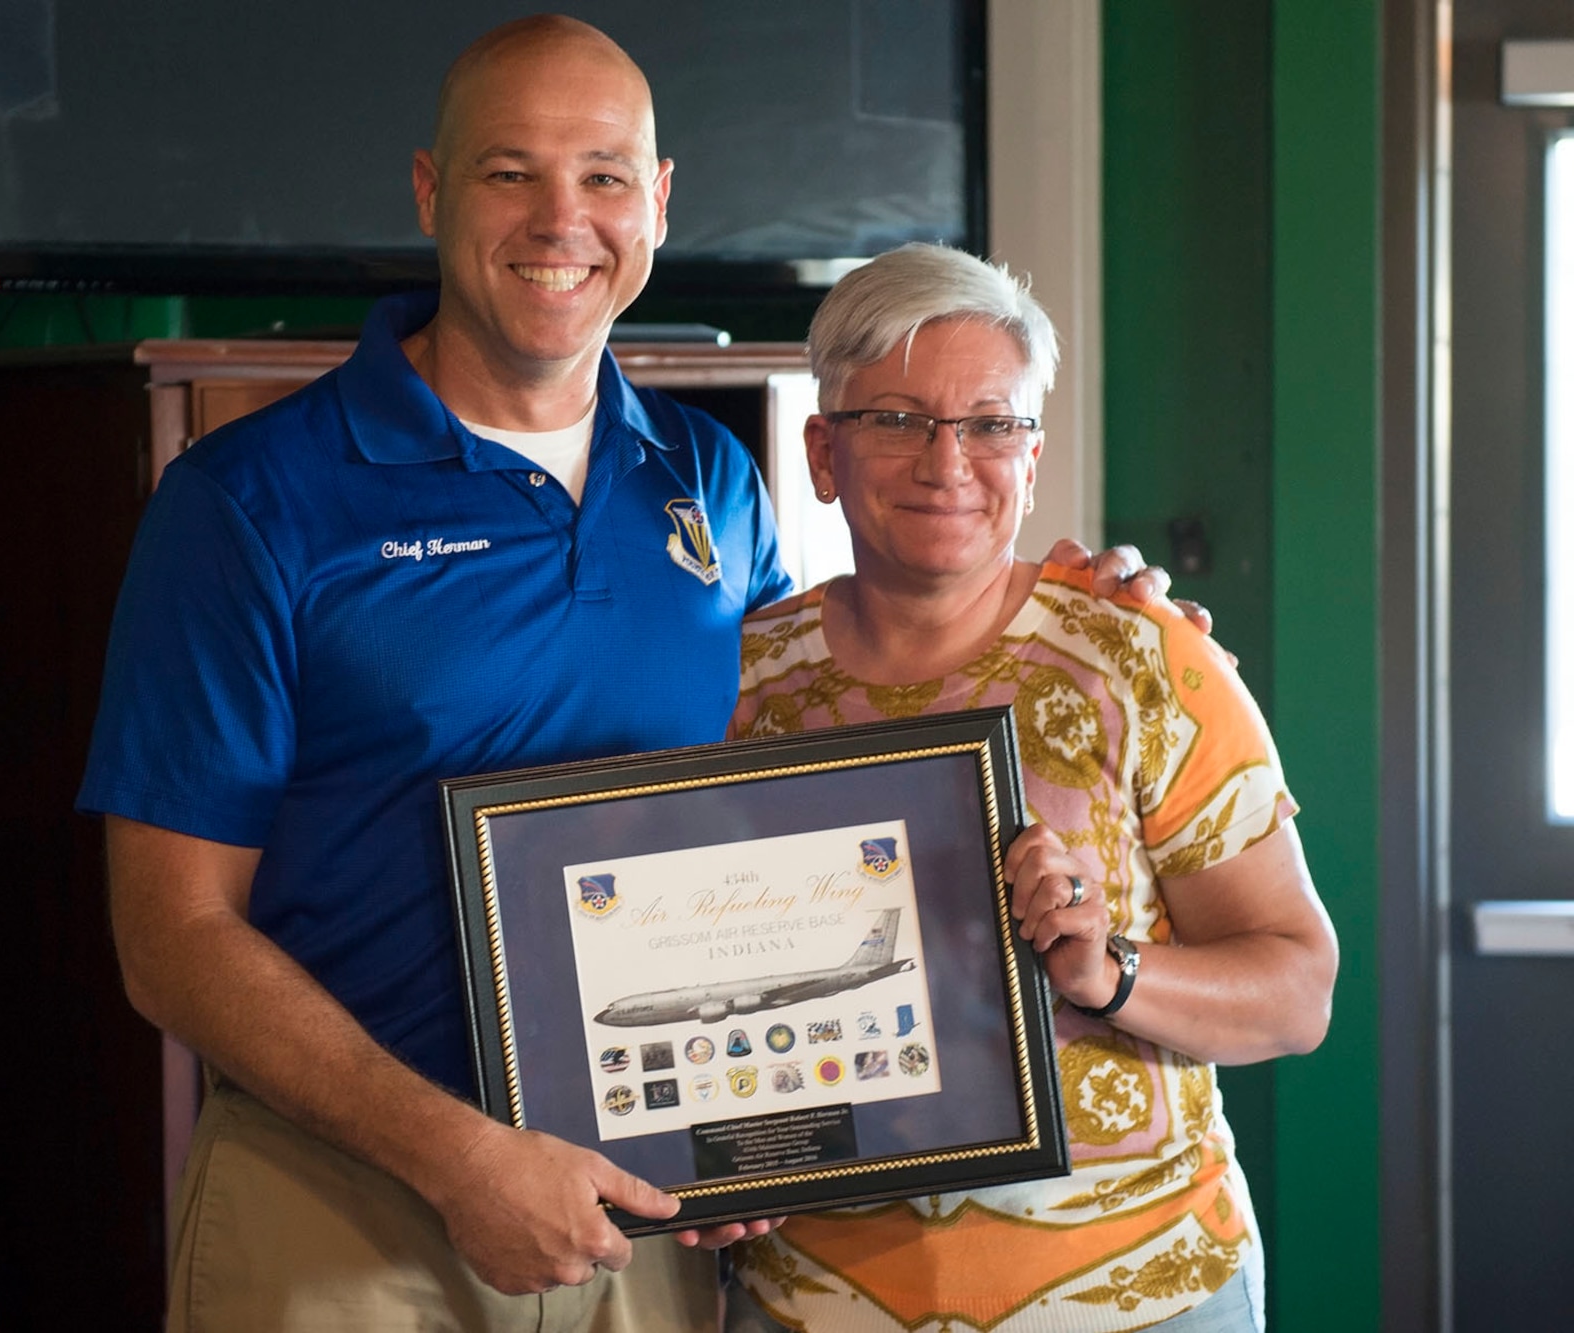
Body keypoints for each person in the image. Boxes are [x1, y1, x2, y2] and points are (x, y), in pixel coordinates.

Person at [79, 17, 1185, 1333]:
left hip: (645, 1225)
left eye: (604, 175)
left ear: (658, 204)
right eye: (510, 172)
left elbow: (796, 788)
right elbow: (171, 939)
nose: (562, 220)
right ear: (433, 191)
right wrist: (460, 1156)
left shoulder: (708, 479)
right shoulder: (248, 504)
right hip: (348, 1215)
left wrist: (1063, 610)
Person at [722, 243, 1339, 1332]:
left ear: (1031, 452)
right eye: (898, 418)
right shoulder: (733, 680)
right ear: (823, 451)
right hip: (815, 1301)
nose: (945, 461)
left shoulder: (1145, 660)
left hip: (1135, 1292)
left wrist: (1109, 973)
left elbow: (1296, 990)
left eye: (988, 423)